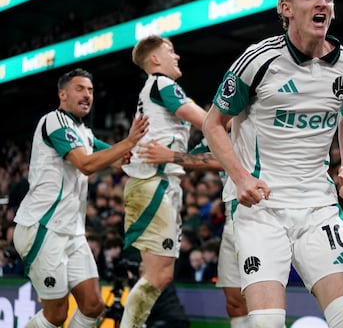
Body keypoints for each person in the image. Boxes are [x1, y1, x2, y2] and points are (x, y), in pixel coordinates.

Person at [202, 0, 343, 328]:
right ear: (286, 8)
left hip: (318, 203)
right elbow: (214, 124)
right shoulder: (258, 60)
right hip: (261, 205)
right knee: (266, 322)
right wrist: (242, 178)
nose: (322, 3)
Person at [12, 68, 149, 328]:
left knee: (93, 306)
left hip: (72, 233)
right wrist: (128, 143)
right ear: (62, 94)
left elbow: (118, 159)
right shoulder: (54, 120)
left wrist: (141, 150)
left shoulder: (83, 132)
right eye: (80, 89)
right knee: (56, 314)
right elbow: (86, 164)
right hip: (43, 228)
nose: (87, 95)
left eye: (91, 90)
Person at [119, 35, 208, 328]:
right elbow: (204, 121)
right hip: (153, 182)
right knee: (158, 275)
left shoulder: (152, 91)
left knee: (160, 275)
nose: (177, 56)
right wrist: (235, 122)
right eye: (170, 51)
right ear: (154, 60)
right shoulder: (162, 84)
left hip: (159, 182)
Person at [137, 138, 249, 326]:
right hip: (233, 219)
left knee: (262, 297)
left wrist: (171, 156)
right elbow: (193, 156)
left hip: (263, 216)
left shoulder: (254, 123)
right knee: (234, 301)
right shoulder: (217, 129)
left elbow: (225, 161)